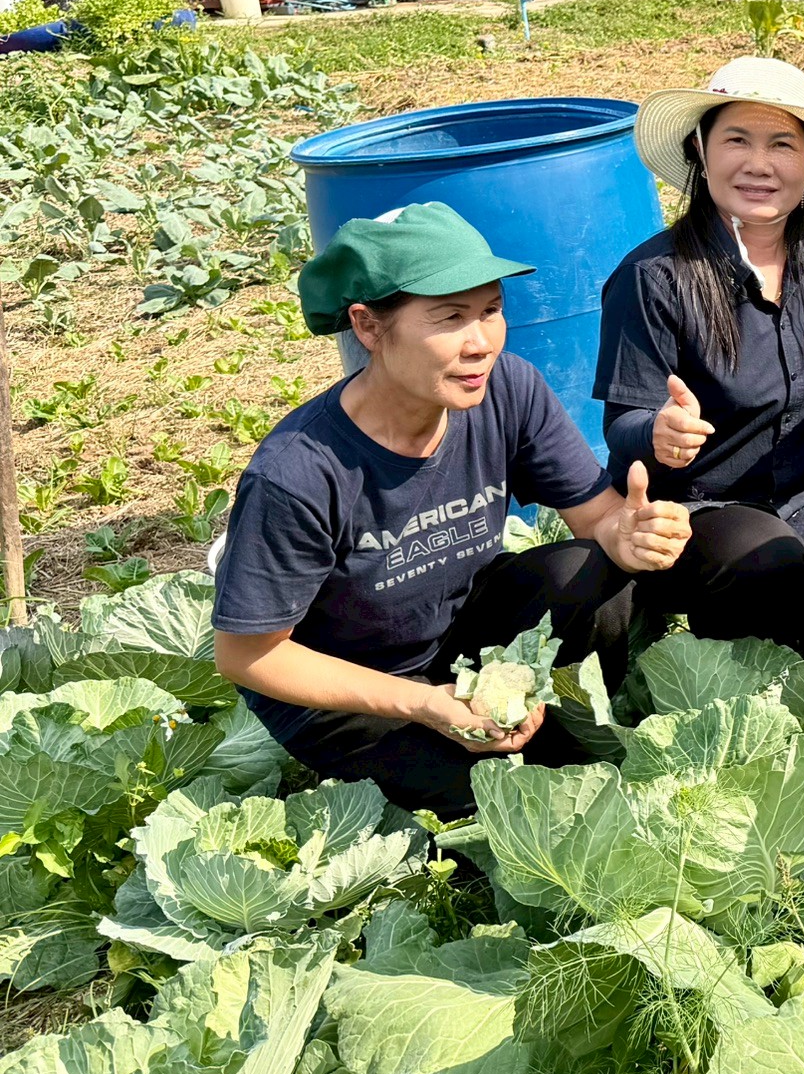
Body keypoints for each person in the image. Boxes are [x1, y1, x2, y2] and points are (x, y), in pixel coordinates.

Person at [211, 203, 693, 819]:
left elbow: (598, 520)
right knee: (508, 808)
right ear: (367, 326)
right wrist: (426, 704)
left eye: (491, 310)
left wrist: (627, 533)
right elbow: (247, 655)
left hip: (460, 643)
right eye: (449, 318)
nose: (480, 343)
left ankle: (545, 716)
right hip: (349, 694)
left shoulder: (510, 390)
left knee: (596, 572)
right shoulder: (299, 473)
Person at [595, 57, 804, 655]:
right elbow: (622, 425)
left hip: (800, 495)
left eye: (782, 144)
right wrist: (660, 432)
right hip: (690, 510)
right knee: (764, 559)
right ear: (700, 149)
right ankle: (722, 671)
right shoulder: (654, 277)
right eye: (736, 140)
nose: (758, 163)